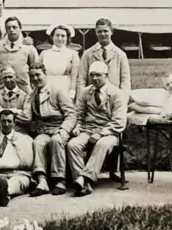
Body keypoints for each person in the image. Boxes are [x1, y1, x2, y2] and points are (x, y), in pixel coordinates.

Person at [67, 62, 128, 196]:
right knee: (73, 145)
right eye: (92, 75)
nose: (95, 78)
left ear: (106, 76)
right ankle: (85, 184)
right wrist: (78, 127)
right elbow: (79, 113)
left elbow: (119, 121)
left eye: (98, 75)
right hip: (88, 130)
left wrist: (101, 134)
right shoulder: (85, 92)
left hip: (110, 132)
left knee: (101, 144)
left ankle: (83, 178)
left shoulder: (117, 94)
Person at [27, 62, 76, 197]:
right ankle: (42, 181)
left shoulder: (58, 91)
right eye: (32, 76)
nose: (35, 79)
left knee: (56, 140)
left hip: (60, 127)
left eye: (38, 75)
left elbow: (71, 114)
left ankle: (60, 180)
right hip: (45, 130)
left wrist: (64, 130)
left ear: (45, 75)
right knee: (37, 142)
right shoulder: (33, 95)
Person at [77, 18, 130, 100]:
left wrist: (123, 100)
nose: (102, 34)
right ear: (96, 33)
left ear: (111, 32)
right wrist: (81, 100)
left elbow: (125, 81)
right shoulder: (87, 54)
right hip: (92, 99)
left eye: (105, 31)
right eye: (99, 31)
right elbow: (81, 79)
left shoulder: (120, 54)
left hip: (113, 98)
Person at [0, 16, 39, 94]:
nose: (11, 30)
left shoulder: (29, 47)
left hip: (24, 88)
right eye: (8, 28)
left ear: (20, 28)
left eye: (14, 27)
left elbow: (35, 68)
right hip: (4, 89)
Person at [39, 24, 80, 99]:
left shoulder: (73, 54)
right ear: (52, 37)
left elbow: (74, 77)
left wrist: (71, 94)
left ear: (67, 38)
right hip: (47, 89)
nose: (60, 38)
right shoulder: (44, 53)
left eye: (63, 36)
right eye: (57, 35)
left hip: (65, 89)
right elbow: (39, 74)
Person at [0, 65, 32, 134]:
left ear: (16, 77)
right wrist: (16, 111)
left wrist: (3, 112)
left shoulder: (25, 97)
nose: (8, 80)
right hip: (1, 134)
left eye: (10, 77)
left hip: (20, 133)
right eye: (5, 78)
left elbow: (27, 117)